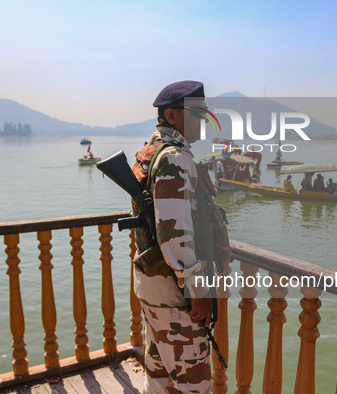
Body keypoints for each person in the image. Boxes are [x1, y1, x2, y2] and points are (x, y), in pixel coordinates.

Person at [131, 81, 230, 393]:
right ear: (171, 116)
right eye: (197, 112)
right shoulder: (175, 157)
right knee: (193, 384)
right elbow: (173, 232)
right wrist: (197, 288)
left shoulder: (151, 151)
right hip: (175, 290)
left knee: (160, 377)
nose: (203, 119)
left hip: (154, 282)